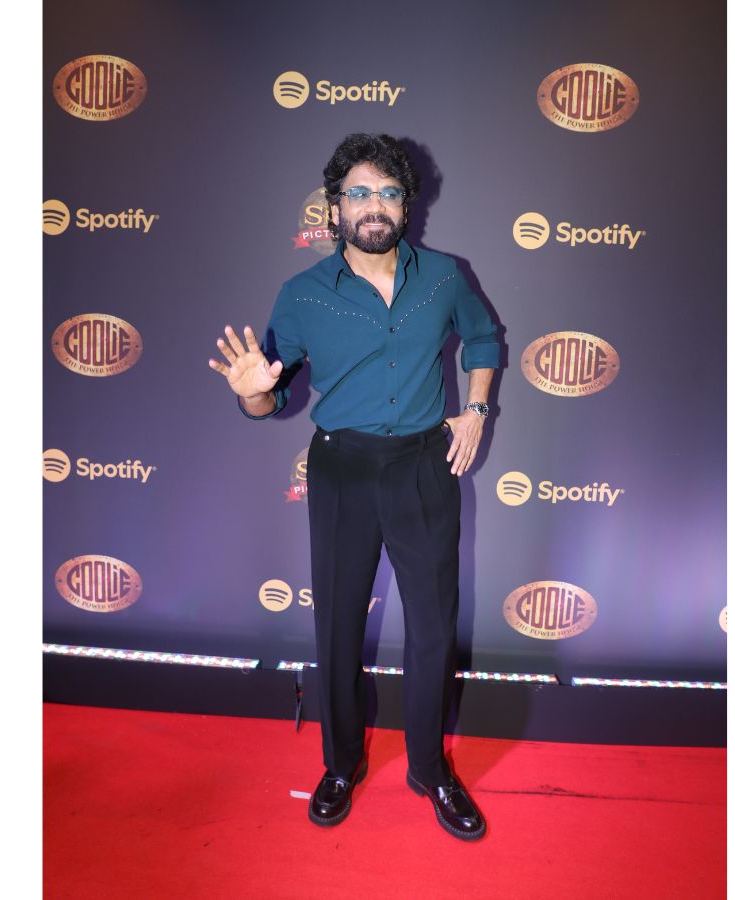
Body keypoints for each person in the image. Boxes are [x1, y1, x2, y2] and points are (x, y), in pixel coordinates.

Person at [208, 133, 499, 841]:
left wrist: (475, 409)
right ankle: (340, 765)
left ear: (407, 205)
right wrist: (251, 391)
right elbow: (268, 396)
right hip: (342, 469)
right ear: (335, 207)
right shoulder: (302, 295)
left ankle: (431, 769)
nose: (375, 205)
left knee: (433, 628)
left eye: (389, 192)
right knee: (338, 625)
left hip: (425, 466)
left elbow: (485, 341)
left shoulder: (445, 276)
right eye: (360, 193)